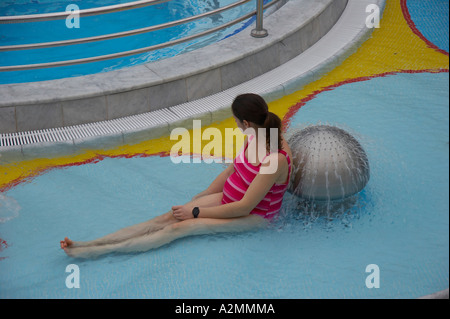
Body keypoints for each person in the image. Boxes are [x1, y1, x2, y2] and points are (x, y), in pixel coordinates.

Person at [60, 93, 293, 258]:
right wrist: (203, 195)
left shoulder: (275, 159)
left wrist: (195, 211)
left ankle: (96, 252)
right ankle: (88, 242)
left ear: (245, 122)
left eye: (235, 120)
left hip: (254, 215)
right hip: (227, 199)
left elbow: (244, 206)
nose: (235, 124)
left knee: (178, 228)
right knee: (166, 218)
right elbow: (232, 170)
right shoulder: (255, 134)